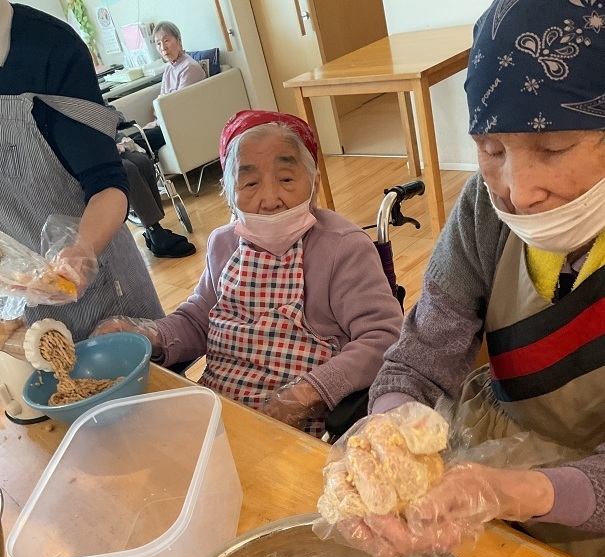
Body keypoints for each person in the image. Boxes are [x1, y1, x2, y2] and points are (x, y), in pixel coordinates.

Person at [325, 0, 605, 557]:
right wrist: (390, 432)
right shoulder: (486, 211)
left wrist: (514, 491)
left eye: (553, 149)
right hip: (481, 470)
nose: (518, 191)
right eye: (491, 149)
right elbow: (421, 358)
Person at [94, 110, 403, 436]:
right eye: (251, 183)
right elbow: (199, 320)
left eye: (286, 179)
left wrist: (306, 393)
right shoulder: (223, 244)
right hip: (217, 412)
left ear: (314, 184)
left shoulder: (342, 247)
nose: (270, 200)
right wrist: (149, 334)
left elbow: (384, 336)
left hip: (298, 426)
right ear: (228, 193)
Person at [0, 0, 163, 342]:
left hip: (99, 289)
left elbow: (108, 184)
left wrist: (84, 250)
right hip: (17, 308)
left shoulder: (49, 46)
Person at [111, 105, 196, 258]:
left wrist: (111, 122)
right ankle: (155, 231)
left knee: (143, 161)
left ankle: (153, 230)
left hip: (114, 144)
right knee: (128, 169)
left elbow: (114, 112)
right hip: (94, 154)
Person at [138, 20, 207, 153]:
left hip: (180, 126)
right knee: (131, 140)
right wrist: (161, 105)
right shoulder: (169, 68)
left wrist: (161, 105)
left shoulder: (189, 68)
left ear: (179, 41)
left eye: (166, 40)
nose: (163, 47)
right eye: (158, 43)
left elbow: (175, 107)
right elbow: (159, 105)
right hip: (165, 123)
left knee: (136, 144)